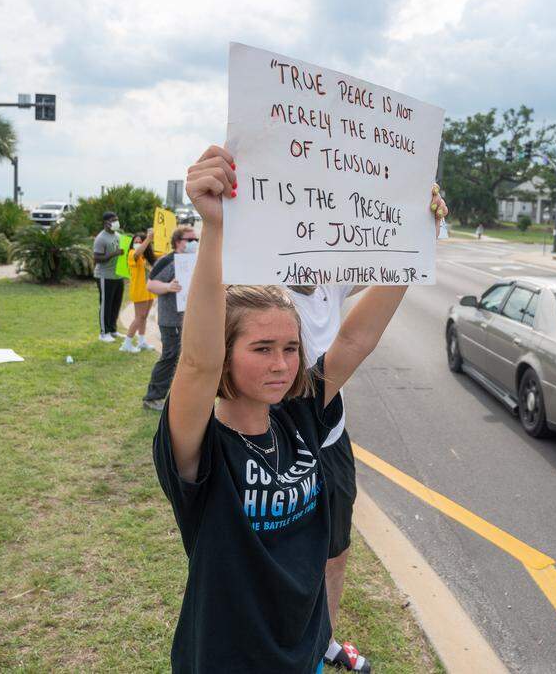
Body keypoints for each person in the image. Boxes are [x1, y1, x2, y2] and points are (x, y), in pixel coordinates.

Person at [154, 145, 446, 672]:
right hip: (230, 657)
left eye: (290, 349)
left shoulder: (298, 416)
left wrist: (415, 236)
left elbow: (356, 339)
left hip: (303, 649)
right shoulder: (200, 447)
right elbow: (195, 365)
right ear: (225, 354)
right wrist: (215, 226)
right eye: (261, 349)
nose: (282, 365)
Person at [287, 284, 370, 672]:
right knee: (288, 557)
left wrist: (422, 235)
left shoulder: (329, 283)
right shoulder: (259, 287)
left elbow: (386, 260)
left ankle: (326, 640)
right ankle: (289, 645)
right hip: (283, 440)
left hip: (332, 439)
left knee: (336, 551)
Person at [142, 226, 198, 411]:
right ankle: (153, 398)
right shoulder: (167, 261)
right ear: (177, 242)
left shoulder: (196, 260)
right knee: (170, 357)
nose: (193, 243)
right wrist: (167, 287)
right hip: (171, 319)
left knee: (189, 359)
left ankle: (182, 398)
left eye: (195, 240)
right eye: (189, 240)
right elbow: (150, 284)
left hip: (191, 319)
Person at [122, 231, 157, 353]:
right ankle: (126, 343)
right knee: (139, 317)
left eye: (139, 241)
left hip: (148, 291)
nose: (137, 243)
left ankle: (141, 341)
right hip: (139, 290)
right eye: (135, 241)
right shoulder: (132, 254)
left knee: (144, 317)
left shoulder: (146, 256)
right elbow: (137, 253)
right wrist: (148, 239)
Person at [93, 211, 125, 342]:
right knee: (106, 304)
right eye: (113, 220)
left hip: (118, 276)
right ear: (106, 223)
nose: (116, 222)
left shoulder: (118, 235)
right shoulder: (101, 238)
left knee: (116, 304)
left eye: (117, 219)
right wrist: (114, 254)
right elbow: (97, 258)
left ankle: (112, 329)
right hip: (104, 276)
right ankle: (103, 333)